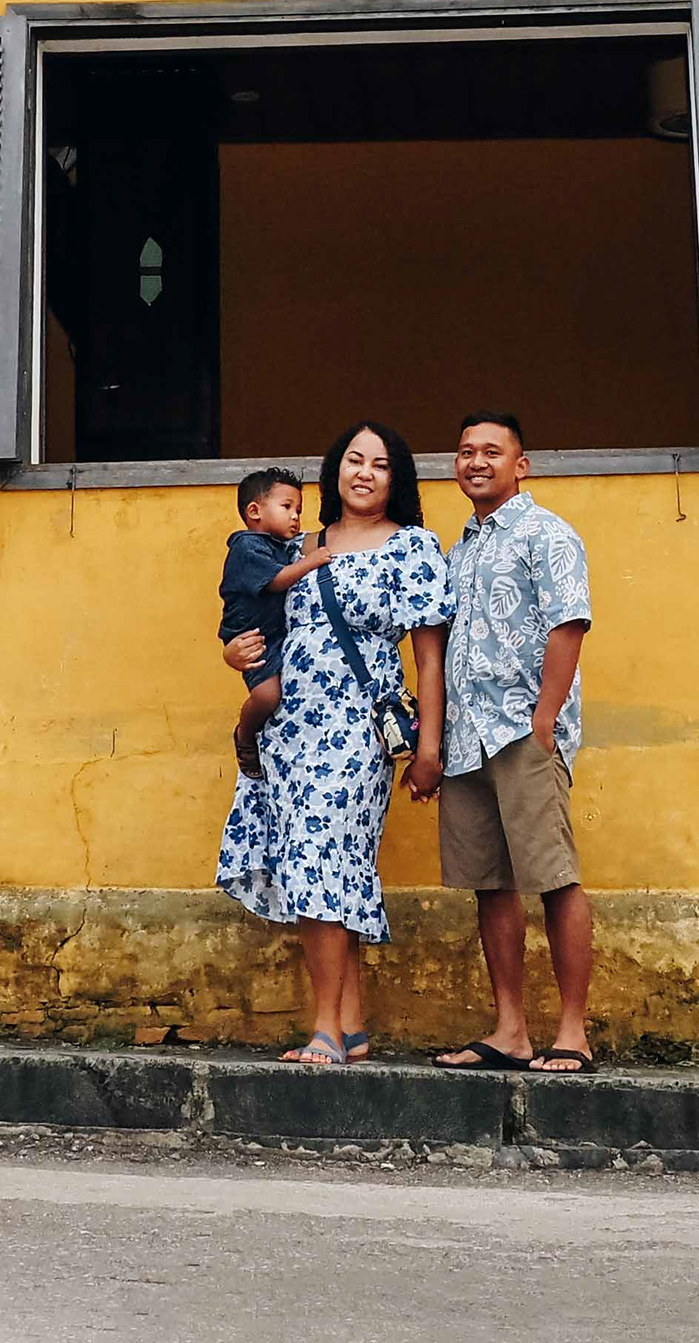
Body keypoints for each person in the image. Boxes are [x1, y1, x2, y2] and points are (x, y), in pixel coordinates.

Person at [215, 422, 449, 1065]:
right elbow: (250, 619)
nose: (364, 472)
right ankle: (350, 1024)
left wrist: (429, 749)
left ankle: (322, 1029)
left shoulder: (414, 548)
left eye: (379, 463)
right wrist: (235, 654)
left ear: (395, 479)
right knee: (319, 864)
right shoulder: (295, 543)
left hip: (354, 730)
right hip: (289, 728)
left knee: (323, 855)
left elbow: (430, 661)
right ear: (334, 471)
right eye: (353, 459)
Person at [426, 410, 598, 1074]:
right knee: (490, 886)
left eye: (491, 452)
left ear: (520, 464)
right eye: (466, 450)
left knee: (554, 879)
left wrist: (546, 719)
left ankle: (574, 1033)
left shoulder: (546, 533)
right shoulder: (460, 549)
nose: (476, 461)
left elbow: (568, 625)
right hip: (467, 739)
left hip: (523, 733)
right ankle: (510, 1031)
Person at [216, 466, 323, 772]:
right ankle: (245, 735)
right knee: (267, 696)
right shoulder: (247, 546)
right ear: (255, 511)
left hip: (275, 635)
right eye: (287, 507)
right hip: (252, 639)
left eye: (298, 510)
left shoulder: (280, 545)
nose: (295, 517)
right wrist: (312, 562)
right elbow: (277, 580)